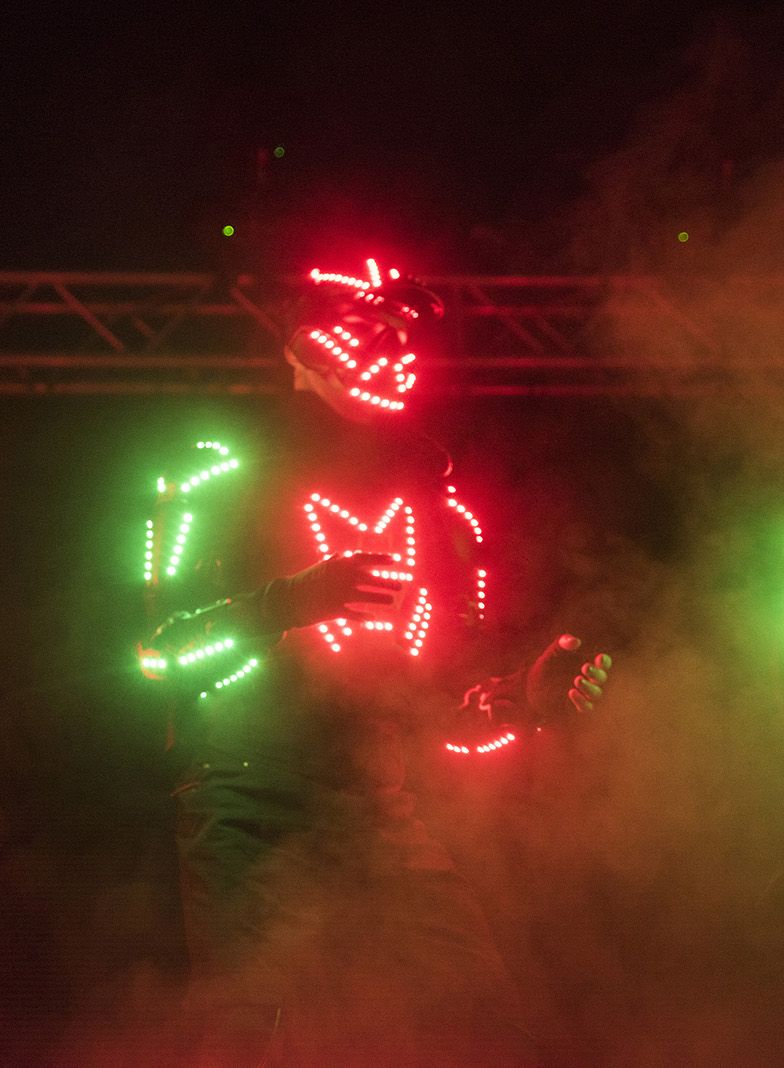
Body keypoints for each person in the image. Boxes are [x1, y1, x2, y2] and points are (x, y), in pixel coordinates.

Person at [136, 261, 611, 1065]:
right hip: (245, 795)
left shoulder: (441, 507)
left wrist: (517, 705)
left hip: (380, 804)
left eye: (403, 335)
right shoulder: (217, 474)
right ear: (300, 349)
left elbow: (442, 710)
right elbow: (159, 655)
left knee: (485, 1026)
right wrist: (290, 603)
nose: (392, 349)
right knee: (244, 1030)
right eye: (368, 327)